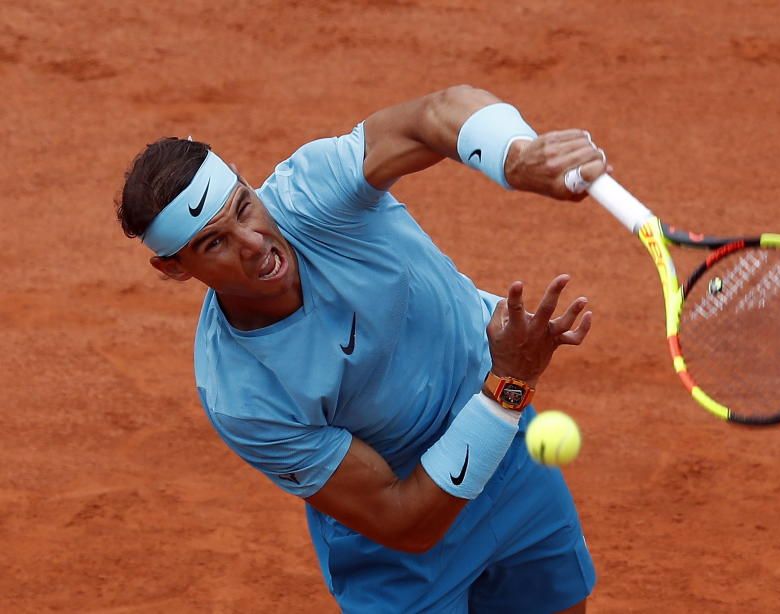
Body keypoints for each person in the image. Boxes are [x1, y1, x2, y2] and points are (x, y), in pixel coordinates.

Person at [115, 85, 608, 613]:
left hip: (513, 465)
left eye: (244, 207)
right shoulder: (242, 395)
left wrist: (517, 157)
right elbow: (404, 520)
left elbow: (429, 117)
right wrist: (507, 386)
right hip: (401, 547)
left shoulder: (311, 195)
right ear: (174, 267)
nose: (254, 241)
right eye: (215, 243)